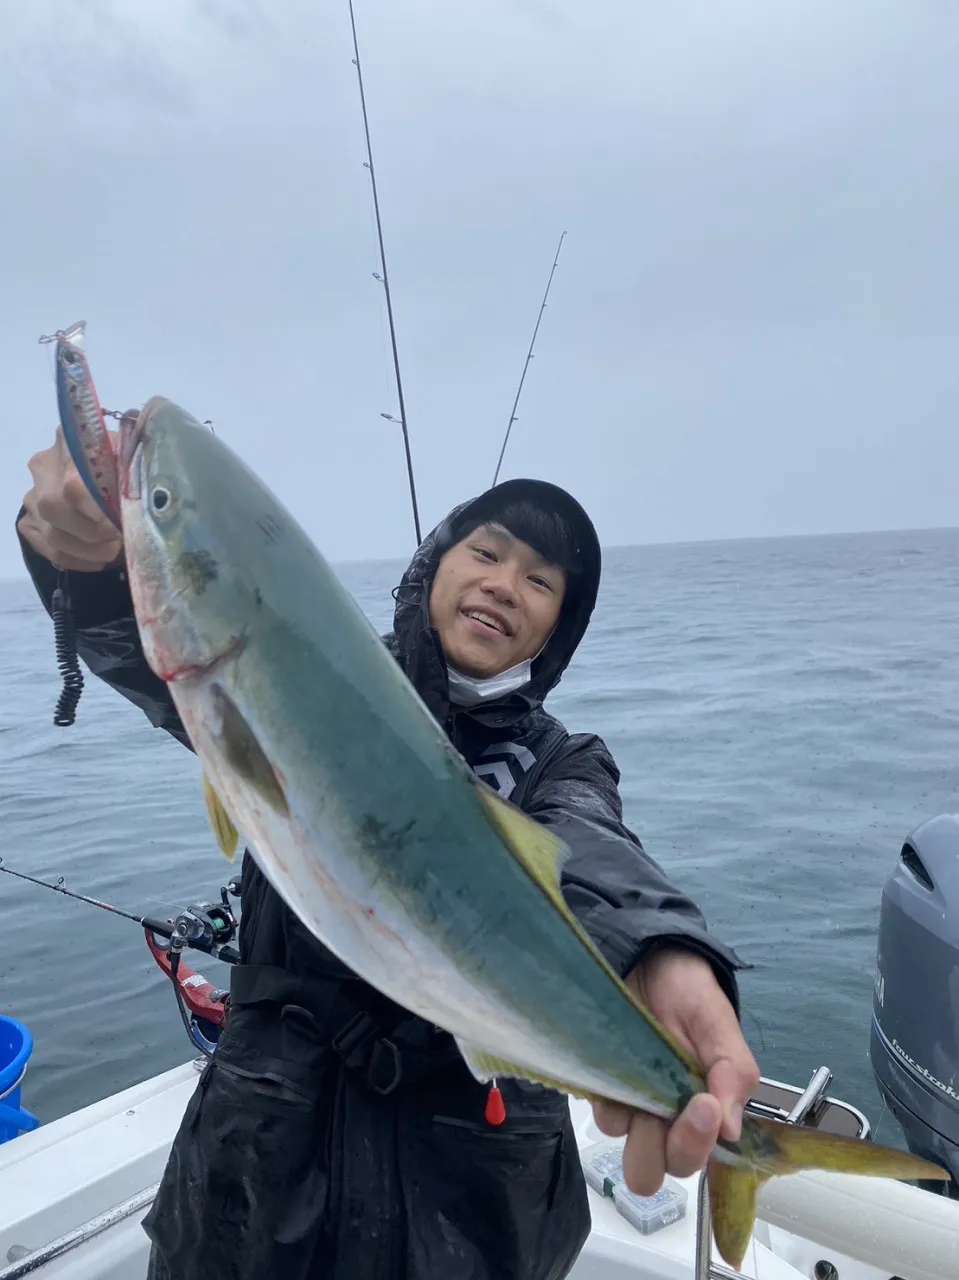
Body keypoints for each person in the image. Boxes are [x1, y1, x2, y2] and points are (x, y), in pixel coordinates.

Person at [17, 427, 760, 1280]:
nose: (502, 584)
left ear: (562, 622)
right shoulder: (299, 671)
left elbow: (591, 848)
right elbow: (150, 645)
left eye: (539, 579)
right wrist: (87, 566)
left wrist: (657, 947)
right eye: (485, 551)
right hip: (258, 1174)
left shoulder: (563, 762)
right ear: (435, 564)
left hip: (471, 1201)